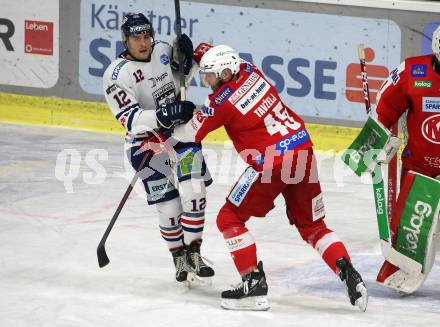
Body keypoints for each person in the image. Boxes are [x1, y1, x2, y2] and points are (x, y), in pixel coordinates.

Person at [169, 43, 368, 311]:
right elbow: (218, 57)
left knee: (229, 218)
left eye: (211, 76)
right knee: (314, 227)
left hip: (270, 163)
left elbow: (187, 134)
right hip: (302, 151)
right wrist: (199, 52)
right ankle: (349, 273)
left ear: (226, 73)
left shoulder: (220, 102)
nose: (207, 81)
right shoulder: (251, 70)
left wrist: (173, 117)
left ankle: (252, 284)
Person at [102, 13, 214, 283]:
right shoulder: (116, 75)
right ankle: (178, 257)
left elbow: (183, 77)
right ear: (125, 40)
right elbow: (128, 118)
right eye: (136, 38)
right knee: (169, 206)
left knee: (194, 191)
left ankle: (194, 253)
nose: (143, 43)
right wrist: (163, 116)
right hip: (146, 143)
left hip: (181, 134)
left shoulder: (164, 49)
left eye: (146, 36)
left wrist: (189, 60)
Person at [374, 26, 440, 292]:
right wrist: (373, 142)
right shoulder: (413, 72)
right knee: (409, 230)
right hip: (420, 168)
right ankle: (402, 267)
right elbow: (384, 108)